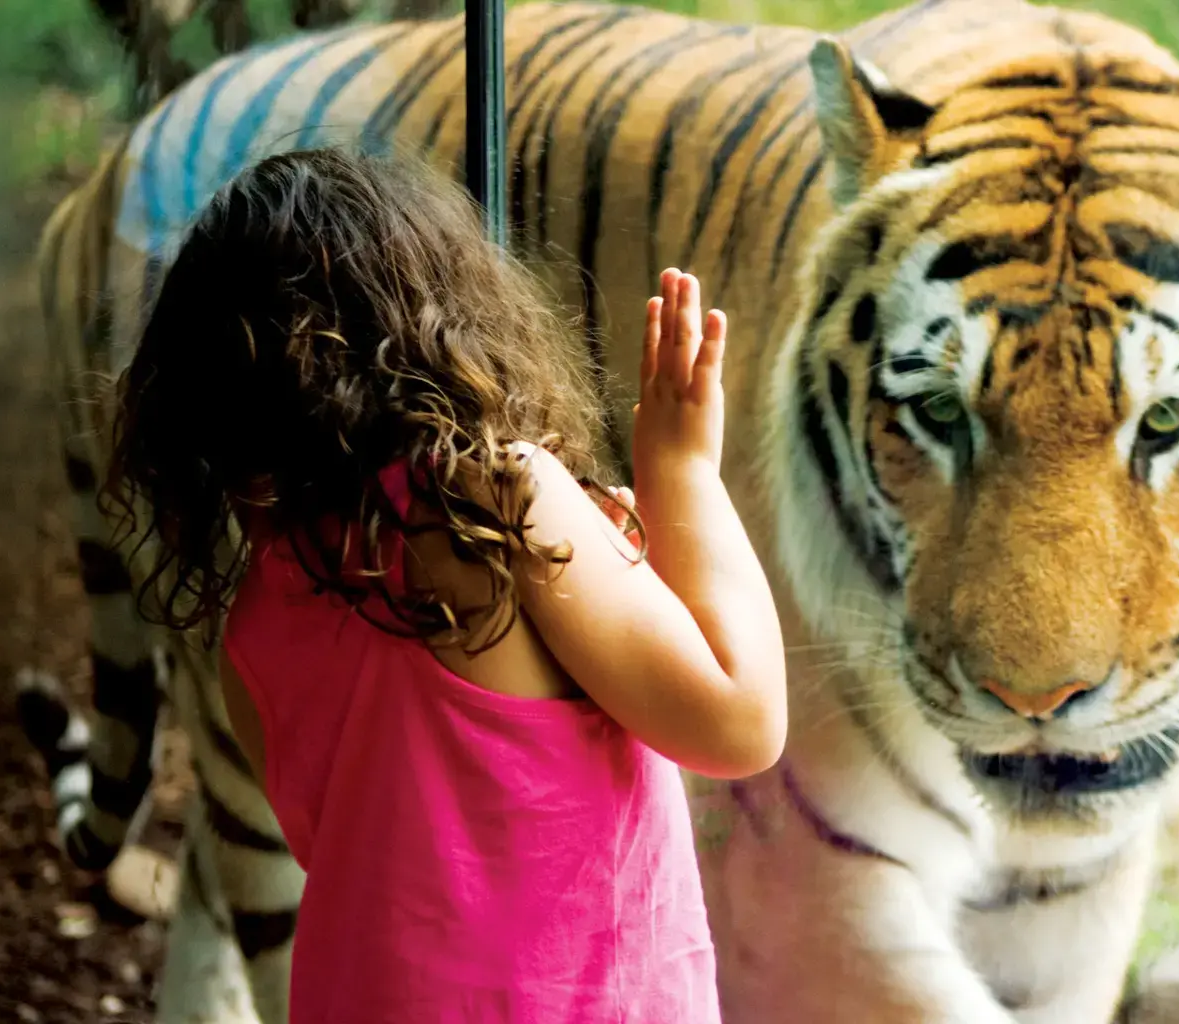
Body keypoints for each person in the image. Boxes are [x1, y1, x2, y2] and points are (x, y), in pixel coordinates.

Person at [104, 147, 787, 1023]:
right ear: (441, 315)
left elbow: (367, 859)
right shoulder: (498, 500)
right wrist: (682, 471)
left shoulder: (253, 624)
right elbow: (740, 722)